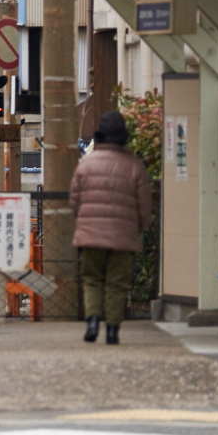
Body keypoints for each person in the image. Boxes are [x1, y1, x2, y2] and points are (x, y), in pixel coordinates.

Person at [69, 111, 152, 345]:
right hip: (123, 236)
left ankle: (93, 321)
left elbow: (74, 200)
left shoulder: (86, 164)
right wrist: (138, 229)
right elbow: (144, 206)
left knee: (92, 280)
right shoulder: (135, 166)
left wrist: (83, 223)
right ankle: (113, 329)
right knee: (117, 282)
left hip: (90, 235)